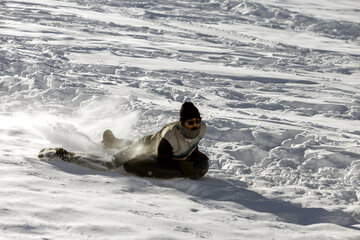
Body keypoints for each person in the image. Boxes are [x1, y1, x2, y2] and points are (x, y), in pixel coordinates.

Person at [101, 101, 209, 180]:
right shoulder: (169, 138)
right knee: (115, 162)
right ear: (182, 123)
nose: (195, 125)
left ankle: (111, 140)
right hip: (150, 146)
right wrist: (180, 165)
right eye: (190, 122)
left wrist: (195, 153)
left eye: (197, 121)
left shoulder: (201, 129)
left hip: (160, 147)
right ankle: (102, 149)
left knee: (132, 146)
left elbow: (192, 142)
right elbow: (163, 161)